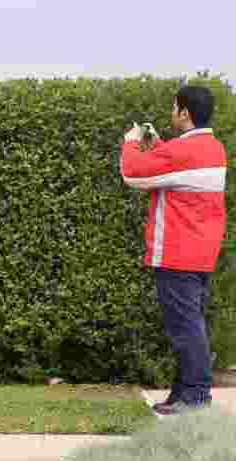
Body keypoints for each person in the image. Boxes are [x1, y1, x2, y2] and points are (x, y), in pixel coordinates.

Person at [120, 84, 228, 416]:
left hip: (177, 255)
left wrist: (132, 143)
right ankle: (183, 395)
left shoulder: (186, 151)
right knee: (189, 326)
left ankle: (196, 398)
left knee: (186, 329)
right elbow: (178, 169)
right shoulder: (212, 148)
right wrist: (160, 148)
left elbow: (133, 173)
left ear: (184, 113)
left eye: (173, 108)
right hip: (199, 255)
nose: (171, 114)